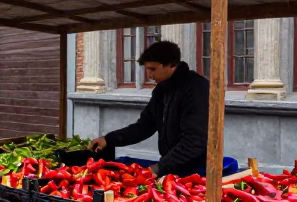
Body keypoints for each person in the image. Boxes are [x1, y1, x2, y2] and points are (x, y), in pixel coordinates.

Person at [88, 40, 209, 178]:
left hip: (198, 172)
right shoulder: (161, 90)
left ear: (171, 65)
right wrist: (109, 139)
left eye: (153, 69)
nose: (149, 75)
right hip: (172, 168)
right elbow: (144, 126)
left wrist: (159, 168)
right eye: (147, 69)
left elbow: (195, 141)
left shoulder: (196, 88)